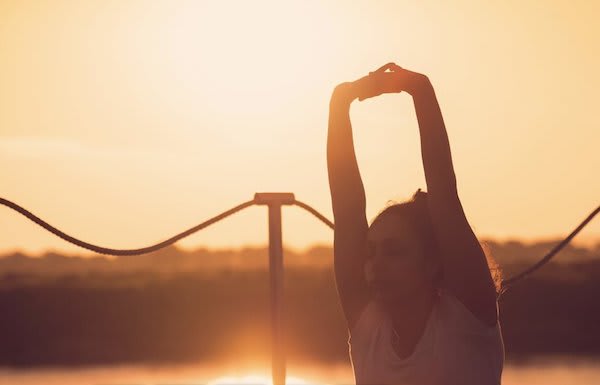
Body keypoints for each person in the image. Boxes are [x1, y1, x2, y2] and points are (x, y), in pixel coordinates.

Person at [326, 63, 504, 385]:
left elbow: (445, 195)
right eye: (371, 252)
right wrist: (340, 103)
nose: (375, 263)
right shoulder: (371, 330)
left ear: (432, 262)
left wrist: (419, 90)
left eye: (394, 252)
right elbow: (348, 210)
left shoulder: (466, 319)